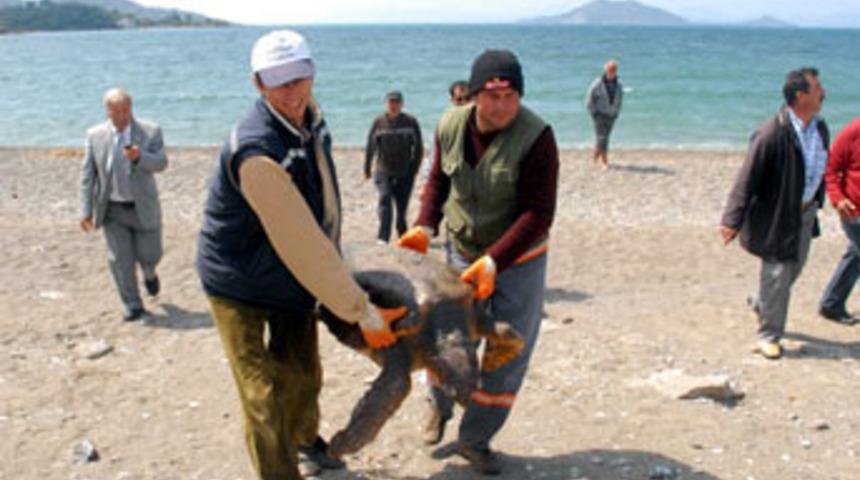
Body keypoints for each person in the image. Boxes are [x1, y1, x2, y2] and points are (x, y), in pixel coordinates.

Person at [196, 30, 404, 480]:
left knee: (304, 375)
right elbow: (299, 242)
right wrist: (359, 309)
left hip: (289, 275)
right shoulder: (255, 152)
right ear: (258, 85)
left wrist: (336, 260)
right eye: (280, 82)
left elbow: (324, 203)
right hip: (237, 280)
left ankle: (306, 439)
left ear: (312, 73)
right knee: (261, 393)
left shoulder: (312, 118)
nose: (293, 92)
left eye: (300, 78)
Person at [398, 49, 559, 475]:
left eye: (511, 96)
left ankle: (475, 438)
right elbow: (437, 180)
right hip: (460, 251)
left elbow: (538, 213)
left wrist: (495, 261)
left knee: (507, 350)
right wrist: (424, 225)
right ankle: (438, 407)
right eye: (492, 95)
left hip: (519, 261)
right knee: (446, 339)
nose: (502, 105)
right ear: (473, 95)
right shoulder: (450, 124)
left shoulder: (538, 137)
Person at [720, 67, 829, 360]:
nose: (823, 92)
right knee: (778, 271)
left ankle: (762, 302)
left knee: (795, 267)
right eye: (817, 88)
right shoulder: (772, 132)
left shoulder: (819, 127)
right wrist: (732, 219)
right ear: (800, 95)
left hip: (806, 214)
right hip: (778, 214)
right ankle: (769, 335)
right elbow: (748, 177)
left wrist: (819, 200)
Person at [79, 88, 166, 322]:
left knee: (151, 253)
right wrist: (85, 210)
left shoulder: (150, 131)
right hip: (113, 210)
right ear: (107, 111)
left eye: (126, 109)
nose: (122, 115)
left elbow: (161, 163)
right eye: (116, 110)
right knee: (119, 260)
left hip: (143, 207)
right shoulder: (94, 135)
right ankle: (132, 304)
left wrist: (139, 157)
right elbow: (88, 176)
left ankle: (149, 272)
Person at [364, 90, 423, 243]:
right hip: (383, 169)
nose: (393, 105)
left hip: (405, 171)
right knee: (385, 199)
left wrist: (415, 167)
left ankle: (402, 231)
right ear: (386, 104)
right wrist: (367, 167)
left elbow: (418, 147)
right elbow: (371, 146)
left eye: (397, 102)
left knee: (401, 207)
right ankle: (383, 237)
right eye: (391, 102)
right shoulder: (378, 122)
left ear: (402, 104)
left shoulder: (411, 122)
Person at [819, 118, 860, 325]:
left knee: (856, 254)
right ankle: (832, 304)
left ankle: (832, 303)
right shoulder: (853, 131)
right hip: (854, 210)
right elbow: (831, 168)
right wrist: (837, 199)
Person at [585, 59, 623, 169]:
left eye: (614, 70)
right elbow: (589, 98)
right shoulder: (598, 83)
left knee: (603, 137)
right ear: (606, 70)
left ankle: (595, 157)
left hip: (611, 115)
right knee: (603, 137)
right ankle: (604, 161)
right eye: (610, 70)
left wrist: (616, 113)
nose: (612, 72)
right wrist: (593, 113)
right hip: (599, 114)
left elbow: (620, 100)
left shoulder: (618, 85)